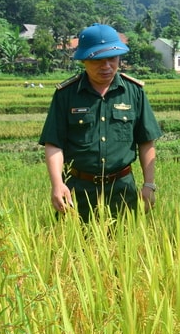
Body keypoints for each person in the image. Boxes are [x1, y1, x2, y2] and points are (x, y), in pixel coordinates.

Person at [39, 23, 162, 222]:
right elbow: (54, 143)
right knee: (74, 250)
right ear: (85, 60)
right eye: (98, 60)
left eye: (112, 59)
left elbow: (146, 141)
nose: (106, 66)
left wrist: (149, 185)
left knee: (125, 250)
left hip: (123, 191)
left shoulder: (134, 92)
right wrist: (57, 184)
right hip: (78, 191)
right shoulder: (66, 94)